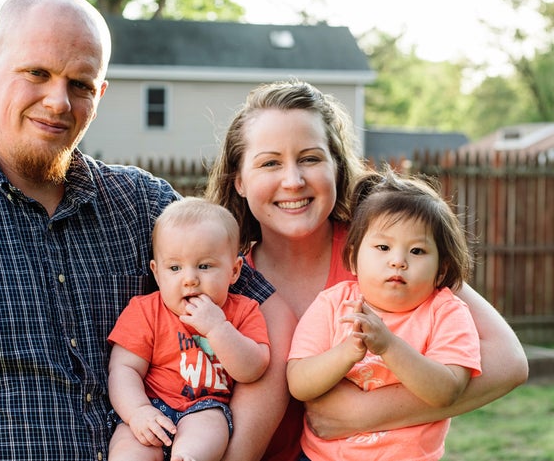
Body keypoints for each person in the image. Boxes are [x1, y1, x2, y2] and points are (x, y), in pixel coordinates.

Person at [0, 0, 278, 460]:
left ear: (100, 93)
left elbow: (269, 333)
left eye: (80, 83)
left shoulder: (146, 209)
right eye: (37, 73)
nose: (58, 101)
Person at [205, 79, 529, 461]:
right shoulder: (221, 279)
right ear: (239, 180)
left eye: (310, 158)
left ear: (338, 167)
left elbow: (508, 362)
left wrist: (358, 413)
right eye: (270, 163)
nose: (293, 181)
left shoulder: (385, 253)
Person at [287, 168, 482, 460]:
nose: (398, 261)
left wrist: (388, 345)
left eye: (417, 251)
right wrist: (346, 352)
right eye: (383, 247)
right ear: (353, 259)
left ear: (441, 270)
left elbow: (447, 391)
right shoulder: (333, 304)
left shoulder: (446, 312)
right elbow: (298, 384)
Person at [107, 197, 270, 461]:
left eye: (204, 266)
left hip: (204, 407)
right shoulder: (146, 310)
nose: (190, 279)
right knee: (128, 446)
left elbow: (253, 369)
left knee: (210, 429)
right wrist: (137, 412)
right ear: (157, 273)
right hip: (150, 405)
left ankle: (186, 457)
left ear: (234, 271)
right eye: (174, 268)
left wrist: (217, 328)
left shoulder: (243, 311)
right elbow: (124, 369)